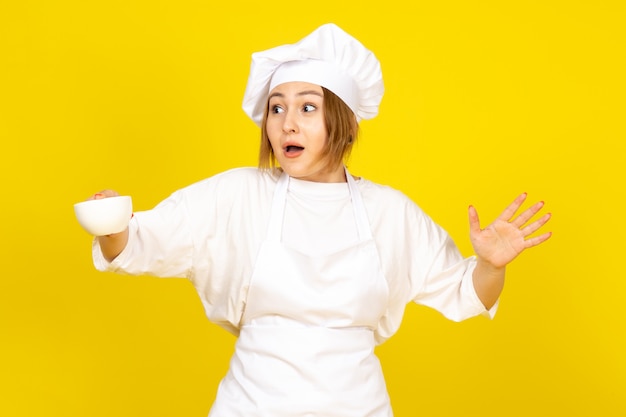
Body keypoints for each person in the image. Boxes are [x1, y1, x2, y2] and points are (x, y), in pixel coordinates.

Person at [86, 23, 551, 417]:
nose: (288, 122)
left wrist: (491, 266)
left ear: (342, 120)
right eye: (277, 107)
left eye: (308, 106)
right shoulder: (237, 195)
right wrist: (112, 224)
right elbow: (137, 244)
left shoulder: (389, 211)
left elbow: (466, 292)